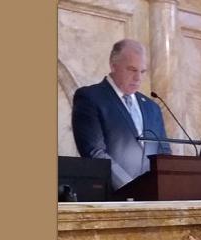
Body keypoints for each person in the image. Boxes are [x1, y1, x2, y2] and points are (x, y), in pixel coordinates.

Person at [71, 39, 172, 190]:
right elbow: (95, 153)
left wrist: (164, 188)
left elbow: (164, 153)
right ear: (113, 65)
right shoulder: (90, 97)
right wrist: (131, 188)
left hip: (154, 199)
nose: (138, 78)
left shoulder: (152, 107)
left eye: (142, 71)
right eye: (132, 70)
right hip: (113, 200)